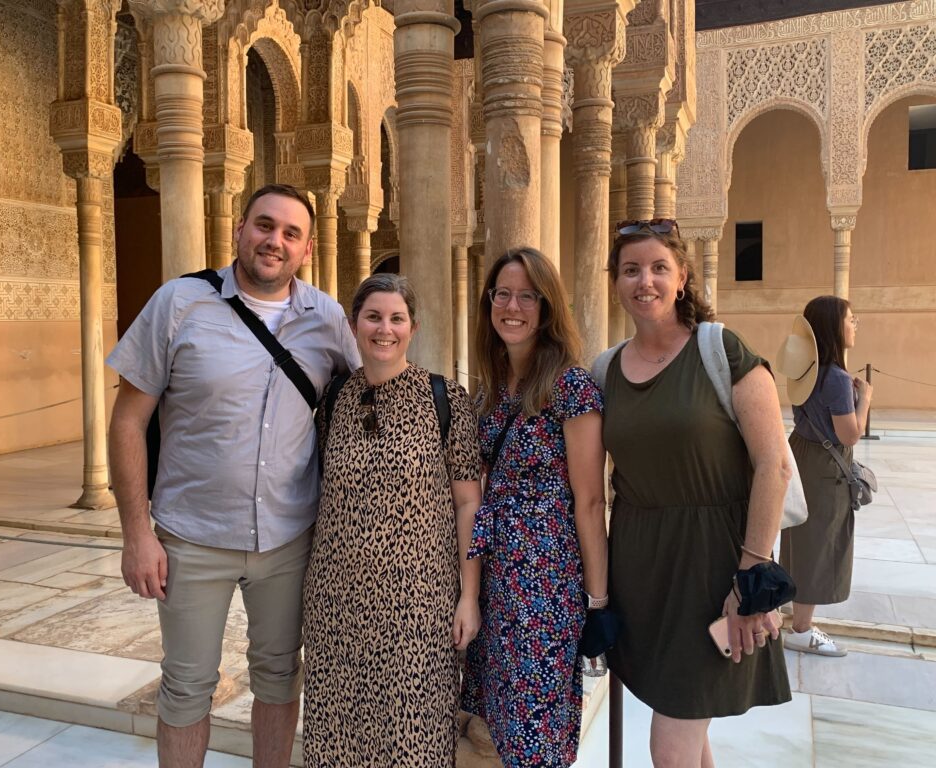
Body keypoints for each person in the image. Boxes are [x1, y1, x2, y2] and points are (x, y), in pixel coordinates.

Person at [106, 183, 359, 768]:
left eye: (290, 233)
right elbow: (127, 420)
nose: (275, 241)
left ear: (307, 248)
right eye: (264, 226)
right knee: (187, 685)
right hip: (192, 538)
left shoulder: (326, 318)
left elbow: (368, 397)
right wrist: (136, 534)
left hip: (289, 537)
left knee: (277, 676)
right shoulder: (179, 303)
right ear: (239, 230)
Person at [598, 219, 791, 767]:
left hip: (714, 567)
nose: (645, 281)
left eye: (660, 267)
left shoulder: (720, 349)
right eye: (631, 269)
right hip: (641, 567)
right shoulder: (605, 369)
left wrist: (752, 578)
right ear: (616, 281)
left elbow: (773, 464)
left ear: (682, 277)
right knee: (685, 717)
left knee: (670, 742)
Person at [301, 273, 482, 766]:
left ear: (413, 327)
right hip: (337, 603)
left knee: (414, 739)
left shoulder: (445, 400)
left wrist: (469, 596)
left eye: (396, 318)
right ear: (354, 325)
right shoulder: (333, 401)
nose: (385, 329)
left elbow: (469, 505)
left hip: (420, 605)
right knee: (338, 734)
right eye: (373, 317)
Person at [461, 247, 608, 767]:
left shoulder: (570, 387)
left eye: (527, 296)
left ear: (546, 308)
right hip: (498, 577)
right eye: (503, 294)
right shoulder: (495, 388)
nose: (513, 306)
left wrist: (597, 601)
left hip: (544, 587)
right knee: (501, 722)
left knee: (536, 732)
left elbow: (590, 502)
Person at [779, 296, 872, 657]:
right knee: (818, 542)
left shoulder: (807, 367)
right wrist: (865, 398)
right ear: (835, 326)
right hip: (823, 465)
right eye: (851, 319)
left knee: (802, 537)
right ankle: (801, 629)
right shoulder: (834, 378)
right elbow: (850, 434)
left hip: (803, 452)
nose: (854, 325)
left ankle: (795, 613)